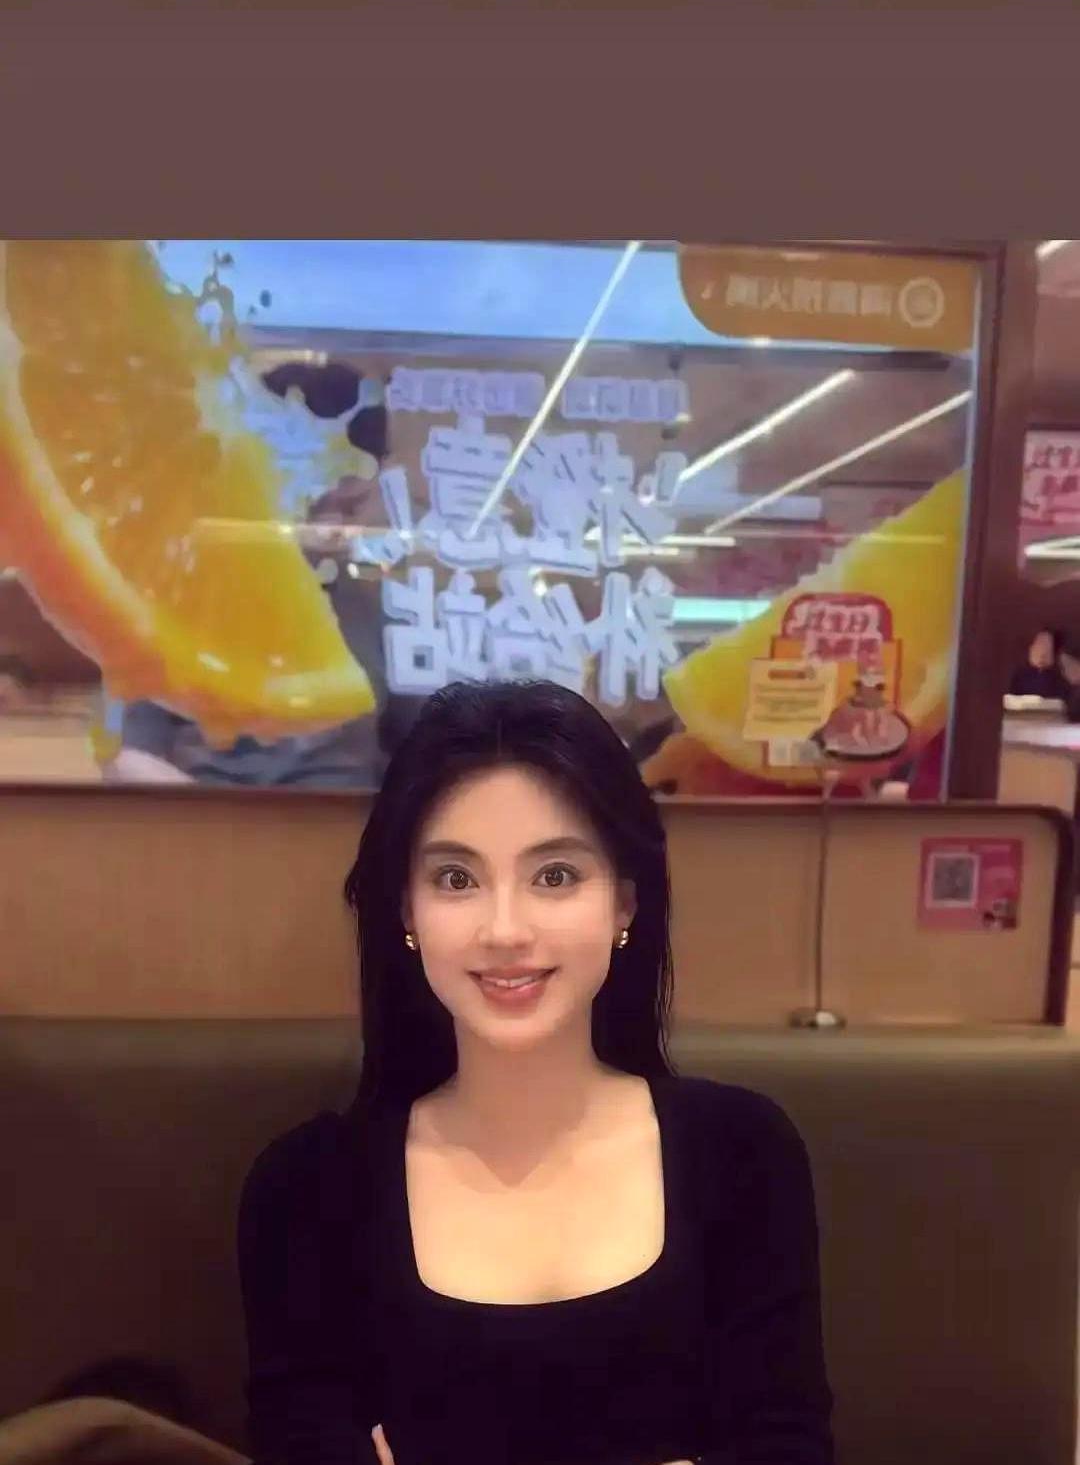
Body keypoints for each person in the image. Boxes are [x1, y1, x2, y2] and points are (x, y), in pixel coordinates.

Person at [237, 680, 834, 1465]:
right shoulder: (307, 1191)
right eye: (456, 878)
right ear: (406, 911)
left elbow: (788, 1447)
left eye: (555, 875)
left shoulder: (742, 1155)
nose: (505, 928)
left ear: (624, 902)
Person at [105, 361, 423, 789]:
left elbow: (429, 750)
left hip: (344, 824)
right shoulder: (181, 603)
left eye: (350, 509)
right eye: (316, 504)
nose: (332, 530)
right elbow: (129, 756)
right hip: (204, 820)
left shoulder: (375, 610)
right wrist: (225, 823)